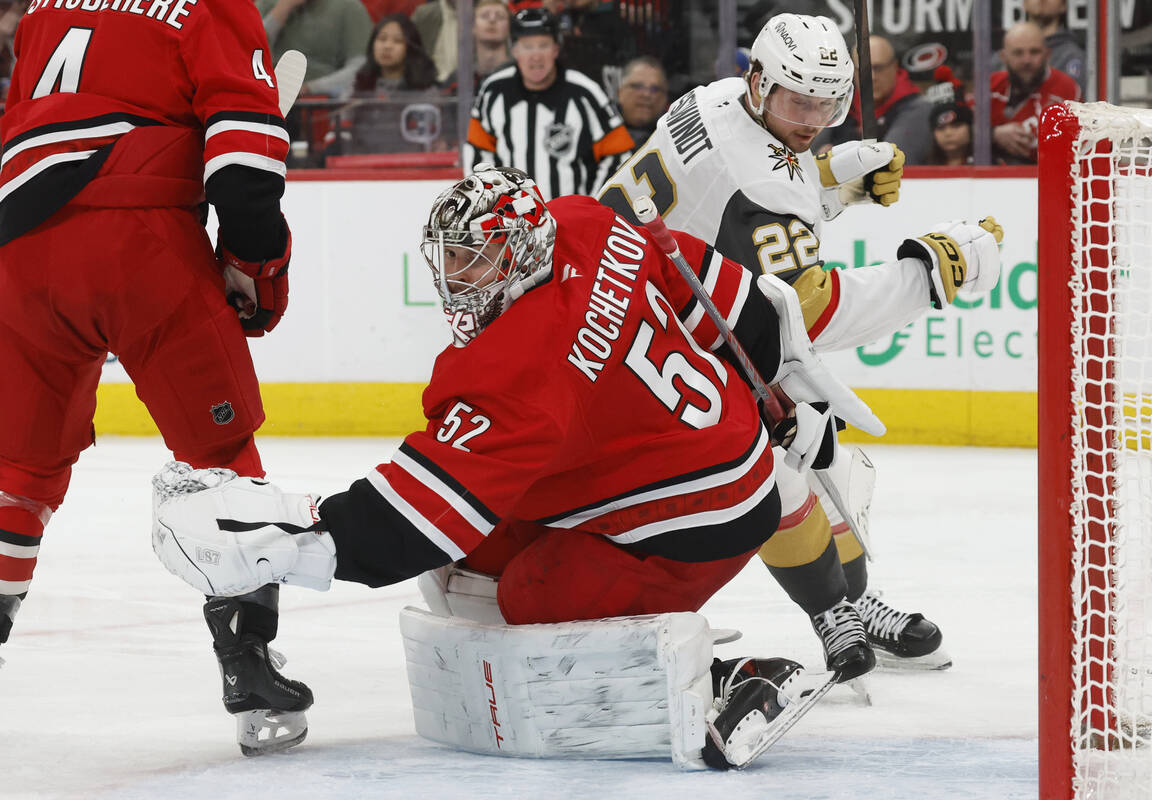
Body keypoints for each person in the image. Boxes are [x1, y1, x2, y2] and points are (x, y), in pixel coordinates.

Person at [149, 165, 1002, 762]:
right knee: (470, 563)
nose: (457, 280)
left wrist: (293, 539)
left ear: (518, 254)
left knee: (522, 595)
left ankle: (717, 679)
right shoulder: (587, 223)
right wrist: (794, 393)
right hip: (699, 452)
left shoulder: (518, 370)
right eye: (450, 260)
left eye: (476, 260)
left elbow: (421, 515)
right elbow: (735, 305)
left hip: (697, 520)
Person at [600, 14, 976, 679]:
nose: (810, 118)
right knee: (778, 468)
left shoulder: (716, 99)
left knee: (808, 451)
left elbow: (730, 196)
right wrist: (927, 275)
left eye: (828, 104)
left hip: (644, 309)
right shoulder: (761, 180)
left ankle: (852, 603)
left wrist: (830, 179)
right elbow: (810, 310)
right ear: (759, 80)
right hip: (646, 345)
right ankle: (832, 609)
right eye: (797, 101)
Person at [0, 0, 301, 758]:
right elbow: (244, 159)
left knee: (14, 473)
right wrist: (256, 267)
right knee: (223, 457)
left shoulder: (42, 6)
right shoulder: (210, 5)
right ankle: (250, 668)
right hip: (141, 239)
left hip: (20, 248)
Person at [463, 7, 635, 197]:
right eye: (528, 46)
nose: (536, 55)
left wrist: (593, 207)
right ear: (514, 50)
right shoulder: (494, 91)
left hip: (571, 222)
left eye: (543, 45)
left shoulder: (585, 93)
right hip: (512, 222)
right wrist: (493, 205)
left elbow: (619, 155)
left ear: (555, 49)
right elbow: (478, 154)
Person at [336, 13, 441, 154]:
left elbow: (436, 145)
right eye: (381, 39)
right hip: (361, 168)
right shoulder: (356, 87)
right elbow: (340, 138)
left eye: (397, 41)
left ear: (410, 47)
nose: (387, 46)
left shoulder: (426, 91)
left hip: (413, 169)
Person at [821, 34, 933, 165]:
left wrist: (834, 160)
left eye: (878, 68)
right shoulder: (840, 104)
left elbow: (890, 164)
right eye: (864, 69)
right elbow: (808, 159)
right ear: (852, 71)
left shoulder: (917, 108)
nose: (872, 77)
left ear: (895, 66)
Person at [990, 21, 1081, 165]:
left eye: (1034, 52)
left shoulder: (1066, 89)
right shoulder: (991, 86)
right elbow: (961, 132)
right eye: (1018, 53)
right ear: (1003, 57)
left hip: (1044, 177)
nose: (1027, 60)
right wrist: (993, 134)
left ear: (1047, 54)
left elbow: (1071, 149)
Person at [258, 0, 373, 97]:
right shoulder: (265, 3)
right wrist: (282, 9)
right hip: (268, 91)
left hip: (325, 101)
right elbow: (250, 50)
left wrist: (310, 88)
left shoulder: (350, 7)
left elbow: (360, 66)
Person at [990, 0, 1084, 93]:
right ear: (1024, 3)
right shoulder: (1000, 57)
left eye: (1034, 52)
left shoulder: (1074, 57)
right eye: (1018, 53)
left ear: (1064, 5)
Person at [617, 55, 670, 149]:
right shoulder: (599, 133)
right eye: (637, 86)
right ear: (620, 93)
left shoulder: (672, 141)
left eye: (655, 89)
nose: (646, 95)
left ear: (665, 98)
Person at [929, 101, 974, 166]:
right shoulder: (924, 167)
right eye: (941, 128)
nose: (948, 133)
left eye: (956, 126)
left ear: (970, 129)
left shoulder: (987, 163)